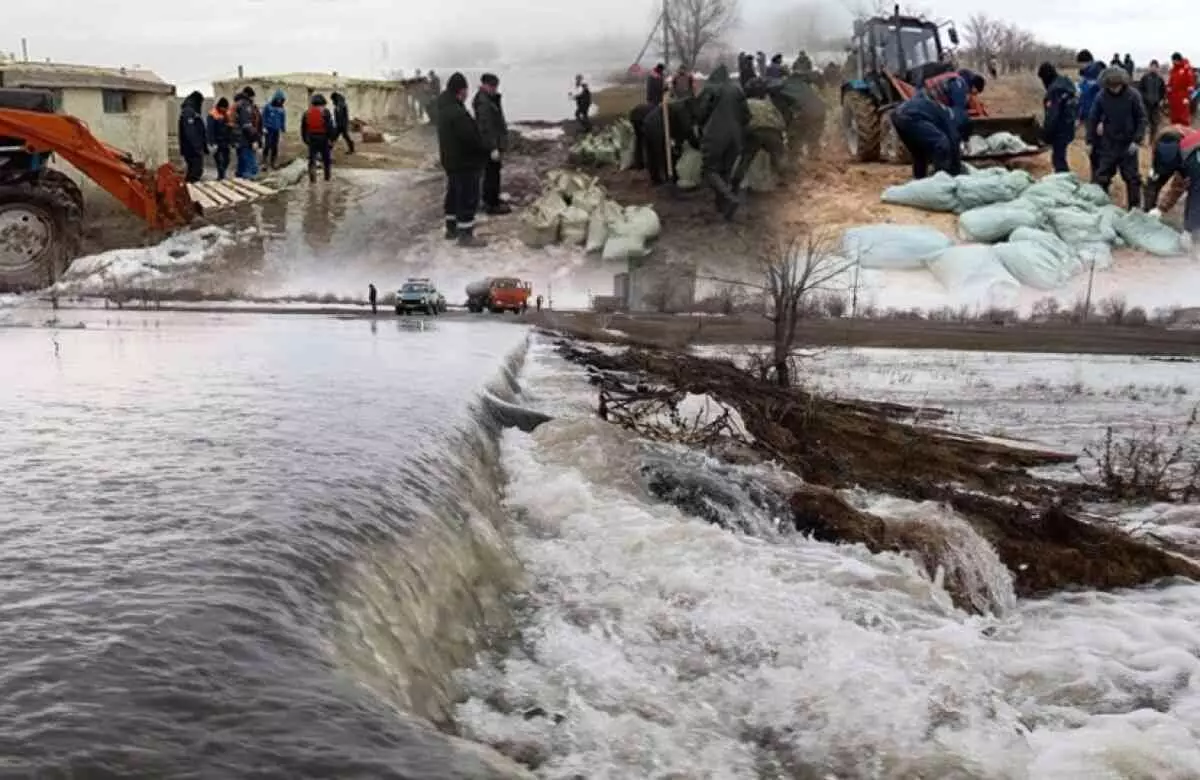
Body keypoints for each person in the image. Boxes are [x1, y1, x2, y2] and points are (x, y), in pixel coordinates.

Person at [436, 71, 489, 247]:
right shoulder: (457, 112)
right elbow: (470, 139)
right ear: (461, 91)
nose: (467, 94)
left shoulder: (443, 108)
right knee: (467, 197)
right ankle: (466, 235)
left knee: (453, 194)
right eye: (466, 90)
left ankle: (451, 229)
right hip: (465, 162)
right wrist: (484, 150)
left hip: (451, 161)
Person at [1086, 67, 1147, 209]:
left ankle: (1134, 209)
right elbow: (1093, 118)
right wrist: (1090, 140)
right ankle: (1101, 207)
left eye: (1117, 86)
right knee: (1101, 177)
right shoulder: (1101, 96)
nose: (1114, 89)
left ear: (1123, 83)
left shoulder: (1133, 95)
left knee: (1132, 179)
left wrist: (1137, 140)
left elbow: (1142, 118)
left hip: (1128, 143)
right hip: (1108, 143)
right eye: (1111, 87)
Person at [695, 64, 748, 219]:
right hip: (736, 137)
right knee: (725, 170)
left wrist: (702, 128)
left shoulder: (711, 89)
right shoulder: (737, 89)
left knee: (709, 169)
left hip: (715, 135)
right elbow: (746, 115)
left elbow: (701, 113)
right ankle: (723, 207)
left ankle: (730, 199)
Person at [890, 92, 963, 180]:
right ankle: (940, 180)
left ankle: (919, 179)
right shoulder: (949, 118)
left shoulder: (939, 109)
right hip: (911, 116)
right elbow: (954, 139)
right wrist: (956, 171)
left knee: (919, 152)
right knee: (941, 142)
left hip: (897, 115)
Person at [732, 81, 788, 194]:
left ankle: (734, 184)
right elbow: (781, 123)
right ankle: (785, 182)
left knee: (746, 159)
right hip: (772, 132)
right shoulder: (768, 104)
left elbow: (737, 121)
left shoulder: (744, 103)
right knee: (779, 158)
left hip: (753, 132)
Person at [1145, 125, 1200, 236]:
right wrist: (1154, 210)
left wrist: (1189, 229)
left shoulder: (1193, 161)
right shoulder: (1160, 146)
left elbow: (1194, 194)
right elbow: (1154, 179)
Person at [473, 72, 510, 215]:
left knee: (494, 172)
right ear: (485, 85)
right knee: (491, 174)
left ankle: (492, 198)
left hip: (495, 142)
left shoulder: (490, 99)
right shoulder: (483, 102)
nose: (495, 89)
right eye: (493, 86)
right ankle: (491, 204)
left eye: (496, 87)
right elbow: (485, 127)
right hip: (490, 145)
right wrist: (493, 147)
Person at [641, 98, 698, 185]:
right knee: (664, 152)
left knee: (653, 153)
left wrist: (679, 143)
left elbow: (679, 130)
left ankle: (656, 178)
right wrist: (696, 145)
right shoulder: (683, 109)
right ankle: (670, 178)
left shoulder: (680, 106)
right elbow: (686, 130)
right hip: (657, 125)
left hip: (648, 121)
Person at [1037, 62, 1078, 173]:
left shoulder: (1054, 91)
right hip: (1070, 125)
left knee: (1058, 160)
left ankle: (1064, 183)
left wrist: (1046, 134)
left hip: (1060, 129)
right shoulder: (1066, 83)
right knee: (1060, 156)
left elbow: (1052, 116)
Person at [921, 68, 984, 139]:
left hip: (925, 92)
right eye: (975, 93)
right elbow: (957, 112)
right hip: (926, 100)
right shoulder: (959, 86)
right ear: (974, 87)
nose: (974, 95)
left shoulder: (956, 78)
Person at [300, 93, 334, 182]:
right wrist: (331, 139)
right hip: (323, 139)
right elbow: (329, 126)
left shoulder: (307, 113)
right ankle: (327, 179)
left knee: (312, 160)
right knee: (326, 160)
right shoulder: (326, 112)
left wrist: (305, 140)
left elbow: (303, 128)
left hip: (312, 138)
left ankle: (312, 180)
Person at [178, 91, 207, 183]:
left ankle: (189, 190)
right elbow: (190, 132)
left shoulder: (192, 110)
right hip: (192, 149)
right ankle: (190, 191)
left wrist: (204, 147)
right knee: (195, 172)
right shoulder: (188, 111)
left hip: (193, 148)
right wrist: (197, 147)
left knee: (195, 171)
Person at [234, 87, 261, 179]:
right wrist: (254, 139)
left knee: (242, 164)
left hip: (239, 139)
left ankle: (238, 184)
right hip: (246, 139)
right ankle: (249, 184)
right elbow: (247, 125)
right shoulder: (245, 106)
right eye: (253, 97)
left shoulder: (239, 104)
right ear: (250, 96)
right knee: (250, 167)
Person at [1138, 61, 1167, 143]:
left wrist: (1161, 100)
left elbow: (1163, 91)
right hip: (1146, 104)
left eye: (1155, 67)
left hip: (1156, 105)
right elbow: (1140, 90)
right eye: (1152, 66)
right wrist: (1144, 98)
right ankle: (1142, 139)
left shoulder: (1160, 79)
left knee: (1155, 123)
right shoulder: (1145, 78)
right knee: (1144, 122)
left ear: (1158, 68)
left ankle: (1152, 140)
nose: (1153, 68)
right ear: (1149, 67)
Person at [206, 97, 233, 180]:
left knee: (227, 159)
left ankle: (222, 173)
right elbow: (210, 130)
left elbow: (230, 128)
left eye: (226, 108)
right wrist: (212, 143)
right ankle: (221, 176)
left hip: (225, 141)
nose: (225, 109)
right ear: (220, 107)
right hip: (216, 142)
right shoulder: (212, 115)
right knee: (219, 160)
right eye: (224, 108)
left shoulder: (226, 114)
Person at [1167, 53, 1195, 126]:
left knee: (1183, 119)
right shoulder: (1173, 70)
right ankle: (1175, 135)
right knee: (1174, 119)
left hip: (1183, 98)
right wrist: (1169, 89)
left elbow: (1191, 84)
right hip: (1174, 98)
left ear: (1178, 60)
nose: (1173, 62)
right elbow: (1170, 82)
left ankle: (1184, 135)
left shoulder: (1186, 69)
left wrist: (1187, 97)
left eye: (1174, 60)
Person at [261, 89, 286, 170]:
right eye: (278, 99)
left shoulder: (281, 109)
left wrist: (283, 128)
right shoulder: (268, 106)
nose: (279, 101)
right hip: (268, 129)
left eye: (280, 99)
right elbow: (263, 117)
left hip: (276, 130)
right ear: (275, 98)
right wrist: (264, 127)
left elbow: (283, 119)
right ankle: (264, 163)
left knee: (275, 146)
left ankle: (273, 162)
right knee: (267, 145)